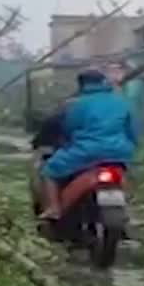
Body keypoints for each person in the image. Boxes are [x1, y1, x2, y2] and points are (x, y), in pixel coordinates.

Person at [37, 67, 138, 220]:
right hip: (119, 152)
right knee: (126, 175)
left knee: (48, 171)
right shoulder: (121, 102)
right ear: (103, 81)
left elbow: (69, 129)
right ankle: (126, 208)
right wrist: (130, 147)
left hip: (86, 153)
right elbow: (131, 131)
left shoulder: (76, 104)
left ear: (81, 84)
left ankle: (54, 209)